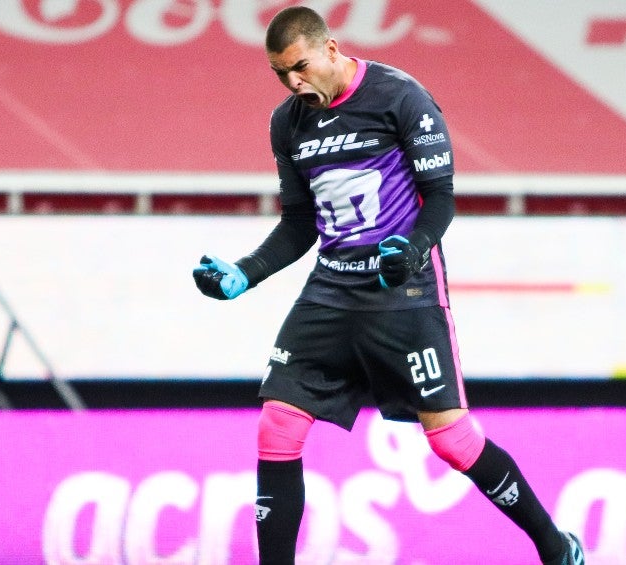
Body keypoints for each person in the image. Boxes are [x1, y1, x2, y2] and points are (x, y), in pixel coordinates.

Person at [193, 6, 585, 564]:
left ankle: (555, 545)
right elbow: (301, 223)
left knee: (452, 440)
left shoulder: (400, 97)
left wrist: (414, 248)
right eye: (281, 73)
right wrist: (244, 273)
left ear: (331, 49)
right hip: (330, 292)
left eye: (300, 66)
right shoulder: (287, 123)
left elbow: (442, 198)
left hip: (406, 294)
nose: (293, 82)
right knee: (276, 427)